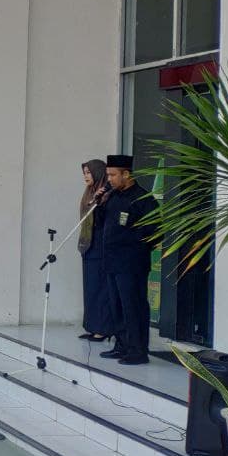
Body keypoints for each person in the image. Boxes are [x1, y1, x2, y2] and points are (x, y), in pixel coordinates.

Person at [97, 154, 160, 366]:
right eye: (108, 175)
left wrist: (135, 245)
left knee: (133, 307)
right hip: (112, 261)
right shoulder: (113, 197)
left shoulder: (143, 199)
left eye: (113, 175)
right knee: (117, 306)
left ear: (126, 174)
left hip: (132, 263)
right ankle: (122, 345)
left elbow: (155, 231)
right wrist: (99, 203)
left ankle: (137, 350)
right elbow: (102, 225)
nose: (109, 179)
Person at [77, 159, 114, 342]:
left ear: (98, 173)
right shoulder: (89, 193)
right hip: (88, 246)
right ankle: (92, 326)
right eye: (84, 173)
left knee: (101, 289)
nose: (85, 176)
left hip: (101, 246)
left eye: (89, 172)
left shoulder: (107, 195)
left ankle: (103, 329)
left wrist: (99, 202)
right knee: (90, 288)